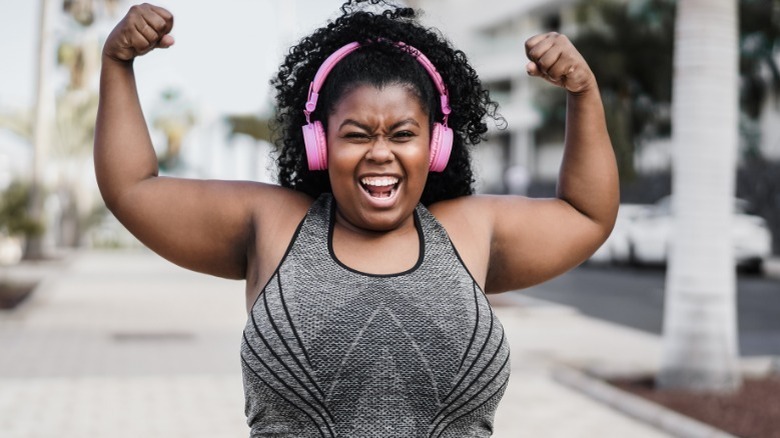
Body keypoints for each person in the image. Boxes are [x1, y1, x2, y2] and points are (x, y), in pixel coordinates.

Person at [95, 1, 618, 436]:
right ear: (319, 143)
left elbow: (587, 213)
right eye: (357, 133)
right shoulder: (273, 224)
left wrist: (584, 92)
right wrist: (117, 63)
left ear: (435, 145)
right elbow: (134, 188)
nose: (380, 153)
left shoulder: (468, 232)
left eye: (403, 133)